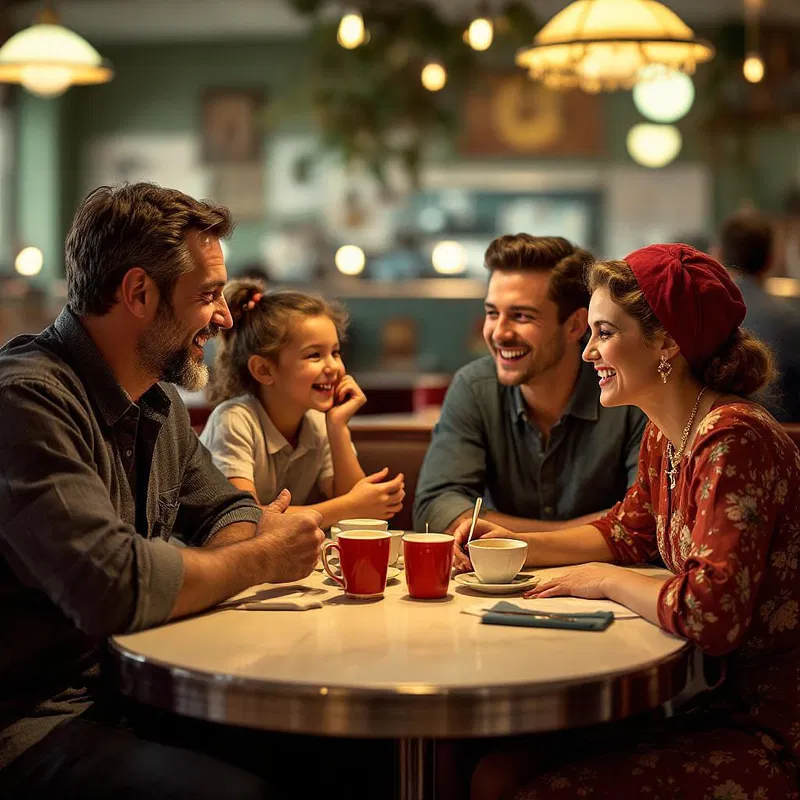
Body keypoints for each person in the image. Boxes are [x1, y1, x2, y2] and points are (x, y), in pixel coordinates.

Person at [0, 183, 325, 799]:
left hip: (132, 691)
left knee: (334, 757)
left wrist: (220, 554)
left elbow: (226, 508)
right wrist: (259, 558)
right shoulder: (27, 399)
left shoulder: (157, 399)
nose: (226, 317)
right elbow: (113, 586)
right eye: (207, 296)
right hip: (32, 724)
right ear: (139, 293)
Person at [457, 243, 800, 800]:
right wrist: (509, 544)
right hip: (706, 701)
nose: (588, 351)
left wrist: (604, 579)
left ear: (666, 341)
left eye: (604, 333)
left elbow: (710, 614)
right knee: (491, 771)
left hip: (770, 725)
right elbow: (626, 530)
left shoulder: (732, 438)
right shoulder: (667, 431)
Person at [414, 234, 647, 536]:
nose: (499, 333)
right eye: (492, 313)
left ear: (576, 325)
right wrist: (583, 533)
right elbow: (436, 507)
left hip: (604, 582)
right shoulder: (474, 387)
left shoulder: (629, 394)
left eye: (521, 316)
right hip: (497, 582)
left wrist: (513, 538)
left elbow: (644, 520)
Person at [200, 280, 405, 528]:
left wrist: (338, 427)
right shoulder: (233, 421)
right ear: (264, 370)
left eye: (336, 352)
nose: (333, 367)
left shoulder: (320, 422)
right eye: (314, 355)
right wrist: (349, 506)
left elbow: (358, 520)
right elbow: (245, 519)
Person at [716, 209, 800, 421]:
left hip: (718, 435)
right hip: (787, 443)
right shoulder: (792, 321)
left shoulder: (707, 318)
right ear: (771, 259)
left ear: (718, 256)